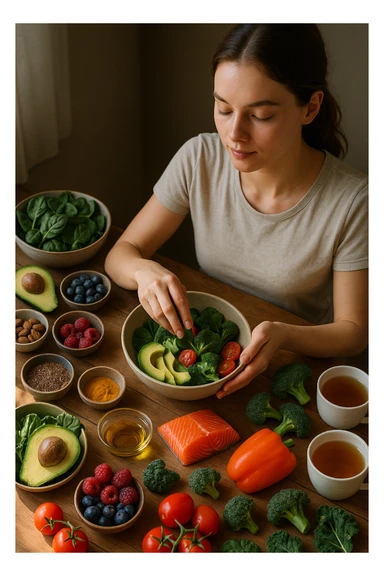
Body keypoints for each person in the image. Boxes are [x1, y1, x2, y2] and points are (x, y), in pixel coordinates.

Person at [105, 24, 368, 399]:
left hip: (290, 371)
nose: (234, 134)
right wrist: (145, 271)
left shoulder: (354, 201)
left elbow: (354, 331)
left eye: (260, 116)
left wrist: (286, 334)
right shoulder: (199, 158)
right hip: (209, 360)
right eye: (223, 109)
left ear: (310, 108)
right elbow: (121, 253)